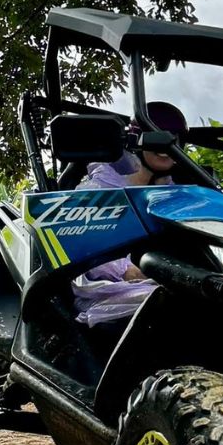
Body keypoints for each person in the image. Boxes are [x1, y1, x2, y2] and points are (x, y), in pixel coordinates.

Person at [72, 102, 188, 329]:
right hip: (111, 294)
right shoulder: (102, 189)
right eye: (156, 137)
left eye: (174, 138)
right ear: (136, 140)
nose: (166, 144)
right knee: (169, 305)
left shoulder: (182, 198)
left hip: (167, 286)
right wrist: (128, 271)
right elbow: (86, 242)